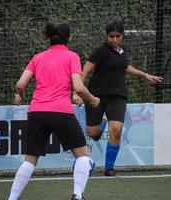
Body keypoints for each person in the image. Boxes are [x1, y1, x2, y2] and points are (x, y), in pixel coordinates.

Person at [8, 22, 100, 200]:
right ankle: (77, 195)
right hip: (61, 112)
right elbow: (79, 88)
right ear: (69, 39)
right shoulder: (71, 56)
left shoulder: (38, 57)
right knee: (83, 157)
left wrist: (20, 95)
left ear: (49, 39)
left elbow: (20, 84)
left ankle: (12, 198)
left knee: (30, 160)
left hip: (37, 112)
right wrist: (93, 99)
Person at [73, 20, 163, 176]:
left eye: (118, 36)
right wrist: (77, 92)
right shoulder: (100, 51)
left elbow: (124, 66)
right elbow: (84, 71)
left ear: (122, 36)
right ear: (106, 36)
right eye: (111, 36)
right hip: (96, 96)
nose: (114, 39)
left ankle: (109, 168)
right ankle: (104, 121)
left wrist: (144, 75)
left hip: (118, 95)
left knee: (116, 130)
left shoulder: (123, 51)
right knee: (93, 133)